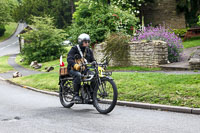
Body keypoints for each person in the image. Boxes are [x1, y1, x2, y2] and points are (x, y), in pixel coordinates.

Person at [67, 33, 95, 102]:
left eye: (88, 42)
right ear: (80, 42)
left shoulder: (89, 50)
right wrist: (74, 65)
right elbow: (69, 58)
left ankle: (92, 95)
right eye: (85, 42)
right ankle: (76, 95)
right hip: (72, 69)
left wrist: (95, 63)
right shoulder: (74, 49)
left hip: (84, 69)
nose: (87, 43)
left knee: (94, 75)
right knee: (78, 75)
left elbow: (93, 60)